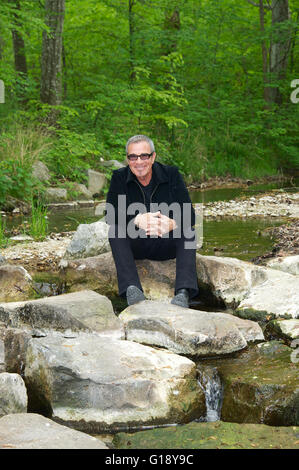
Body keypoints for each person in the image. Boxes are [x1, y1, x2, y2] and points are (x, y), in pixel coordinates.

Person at [105, 134, 199, 308]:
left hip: (166, 243)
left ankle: (183, 292)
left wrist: (172, 224)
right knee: (115, 230)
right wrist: (136, 219)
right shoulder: (119, 177)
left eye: (144, 156)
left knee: (189, 231)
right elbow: (110, 215)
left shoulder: (171, 174)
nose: (138, 161)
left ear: (153, 156)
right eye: (133, 157)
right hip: (137, 245)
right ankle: (132, 290)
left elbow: (190, 215)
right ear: (127, 159)